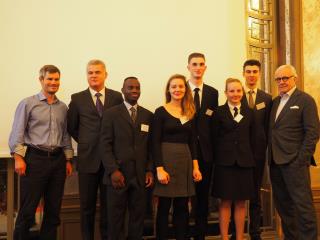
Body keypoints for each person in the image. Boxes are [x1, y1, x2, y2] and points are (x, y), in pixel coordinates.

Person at [9, 65, 73, 240]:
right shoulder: (28, 103)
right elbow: (17, 132)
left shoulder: (63, 108)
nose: (53, 82)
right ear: (41, 80)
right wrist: (18, 157)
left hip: (58, 161)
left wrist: (68, 159)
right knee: (28, 211)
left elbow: (65, 134)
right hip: (34, 160)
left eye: (56, 79)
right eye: (49, 79)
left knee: (53, 212)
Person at [67, 59, 123, 240]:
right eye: (90, 72)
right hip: (87, 160)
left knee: (109, 207)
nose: (93, 76)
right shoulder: (77, 98)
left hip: (111, 162)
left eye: (97, 72)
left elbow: (119, 126)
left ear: (105, 74)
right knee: (87, 207)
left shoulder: (116, 97)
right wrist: (86, 142)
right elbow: (72, 127)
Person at [268, 64, 319, 240]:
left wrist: (301, 160)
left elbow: (313, 132)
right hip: (275, 163)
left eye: (285, 78)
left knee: (303, 207)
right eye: (278, 79)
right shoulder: (275, 102)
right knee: (284, 207)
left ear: (294, 78)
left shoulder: (305, 100)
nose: (281, 82)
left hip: (295, 163)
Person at [100, 77, 154, 240]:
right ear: (122, 90)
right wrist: (113, 170)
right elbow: (105, 145)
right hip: (118, 177)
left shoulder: (148, 115)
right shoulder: (111, 114)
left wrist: (149, 170)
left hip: (140, 177)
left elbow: (150, 147)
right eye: (130, 88)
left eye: (137, 88)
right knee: (115, 220)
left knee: (137, 219)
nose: (134, 91)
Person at [152, 74, 202, 240]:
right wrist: (159, 169)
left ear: (185, 89)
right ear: (168, 89)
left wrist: (196, 167)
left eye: (181, 86)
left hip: (185, 163)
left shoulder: (190, 112)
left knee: (182, 207)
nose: (177, 89)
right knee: (164, 207)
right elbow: (154, 142)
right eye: (174, 86)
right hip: (165, 163)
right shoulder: (160, 112)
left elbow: (193, 142)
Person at [230, 59, 272, 240]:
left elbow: (269, 127)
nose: (252, 74)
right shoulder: (236, 95)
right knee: (235, 194)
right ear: (243, 73)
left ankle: (255, 232)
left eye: (255, 71)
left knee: (255, 193)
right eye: (248, 71)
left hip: (258, 154)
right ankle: (235, 232)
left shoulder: (267, 98)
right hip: (238, 153)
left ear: (260, 74)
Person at [211, 78, 255, 240]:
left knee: (241, 202)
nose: (235, 94)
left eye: (238, 90)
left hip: (244, 163)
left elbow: (254, 138)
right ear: (226, 93)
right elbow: (213, 138)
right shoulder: (218, 112)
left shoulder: (249, 112)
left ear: (242, 92)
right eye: (231, 91)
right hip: (225, 164)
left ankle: (240, 237)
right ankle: (224, 237)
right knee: (225, 202)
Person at [187, 52, 218, 240]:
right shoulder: (180, 89)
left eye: (201, 64)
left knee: (203, 196)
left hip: (206, 152)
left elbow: (213, 124)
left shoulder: (212, 93)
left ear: (205, 67)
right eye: (194, 64)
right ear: (188, 67)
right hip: (185, 151)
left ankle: (200, 235)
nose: (198, 67)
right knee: (184, 195)